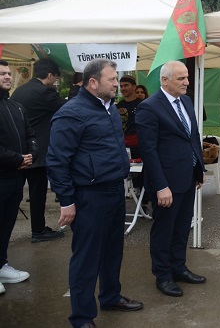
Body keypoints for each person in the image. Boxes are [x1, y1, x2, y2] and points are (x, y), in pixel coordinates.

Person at [47, 59, 144, 327]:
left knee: (113, 251)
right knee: (87, 258)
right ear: (93, 82)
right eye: (111, 79)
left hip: (113, 191)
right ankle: (82, 317)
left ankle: (111, 296)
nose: (117, 84)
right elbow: (57, 161)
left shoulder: (109, 108)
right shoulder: (71, 113)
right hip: (89, 196)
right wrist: (67, 201)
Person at [136, 61, 207, 298]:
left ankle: (179, 267)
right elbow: (148, 150)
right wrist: (161, 186)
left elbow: (193, 137)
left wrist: (199, 170)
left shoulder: (185, 101)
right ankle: (163, 275)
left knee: (181, 227)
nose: (187, 82)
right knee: (164, 230)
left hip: (187, 177)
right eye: (181, 78)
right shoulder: (149, 107)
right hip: (166, 182)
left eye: (187, 77)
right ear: (164, 81)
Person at [10, 58, 66, 243]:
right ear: (49, 75)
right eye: (55, 78)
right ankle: (39, 230)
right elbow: (67, 107)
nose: (55, 82)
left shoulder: (20, 91)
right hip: (38, 152)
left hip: (19, 150)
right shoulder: (45, 92)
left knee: (14, 194)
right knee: (37, 193)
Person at [0, 59, 36, 295]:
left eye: (8, 73)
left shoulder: (16, 107)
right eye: (1, 73)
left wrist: (31, 154)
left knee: (7, 224)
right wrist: (16, 158)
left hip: (16, 177)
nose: (7, 76)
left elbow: (30, 134)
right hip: (4, 173)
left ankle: (1, 265)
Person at [117, 75, 142, 159]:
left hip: (140, 146)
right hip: (122, 146)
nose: (123, 88)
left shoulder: (143, 105)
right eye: (121, 86)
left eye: (126, 85)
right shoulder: (118, 106)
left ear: (134, 87)